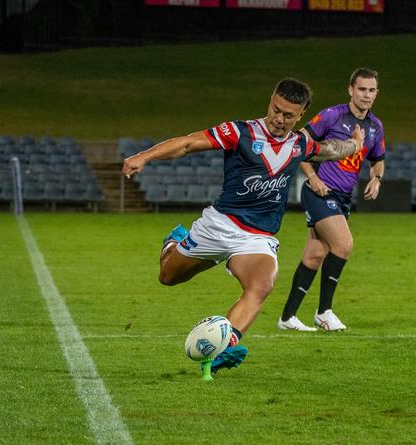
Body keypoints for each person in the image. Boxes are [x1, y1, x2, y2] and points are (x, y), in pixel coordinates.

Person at [123, 78, 364, 373]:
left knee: (261, 285)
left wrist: (354, 145)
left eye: (288, 115)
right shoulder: (239, 132)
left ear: (300, 115)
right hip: (219, 225)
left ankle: (226, 348)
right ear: (271, 101)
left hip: (256, 238)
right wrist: (144, 156)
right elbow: (187, 143)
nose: (279, 118)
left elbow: (329, 150)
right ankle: (174, 242)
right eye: (276, 109)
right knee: (168, 277)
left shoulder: (299, 144)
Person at [278, 68, 386, 333]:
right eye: (362, 89)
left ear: (376, 94)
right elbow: (299, 143)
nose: (366, 95)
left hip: (342, 198)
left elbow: (378, 160)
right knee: (343, 244)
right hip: (319, 192)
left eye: (371, 90)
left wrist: (376, 179)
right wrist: (312, 178)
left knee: (315, 254)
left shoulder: (375, 126)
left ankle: (288, 317)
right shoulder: (332, 116)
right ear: (351, 90)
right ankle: (324, 312)